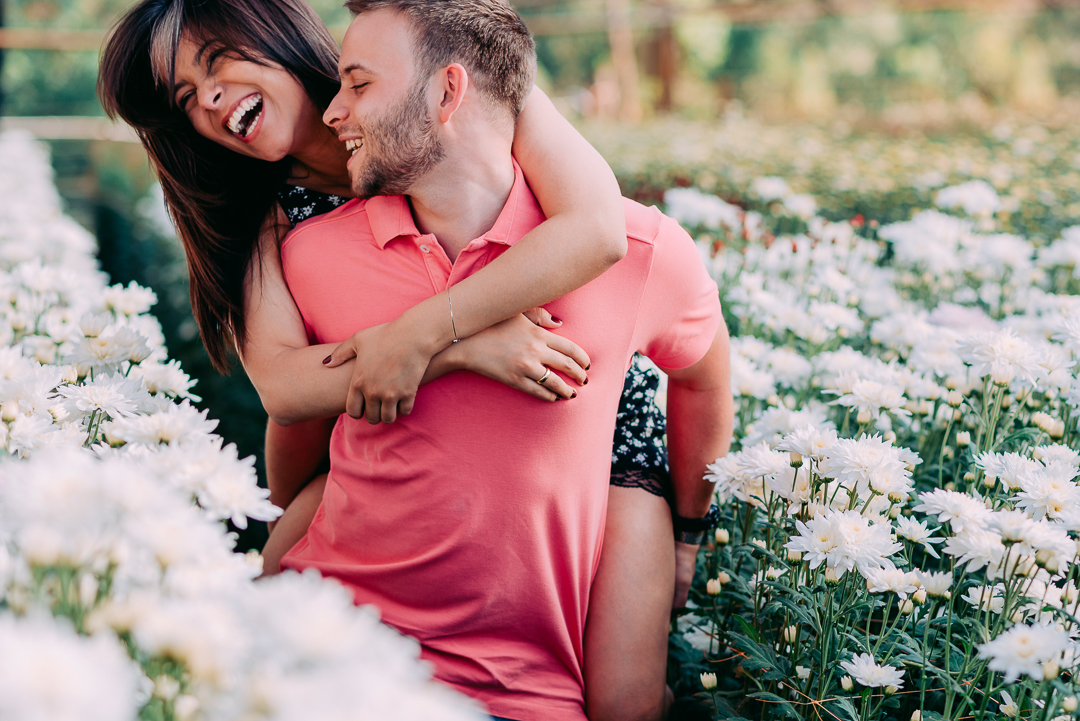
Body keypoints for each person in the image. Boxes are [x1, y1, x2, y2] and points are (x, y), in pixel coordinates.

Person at [97, 0, 731, 716]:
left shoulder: (434, 69)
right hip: (394, 419)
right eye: (185, 100)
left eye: (217, 63)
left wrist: (425, 332)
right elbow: (284, 386)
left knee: (626, 698)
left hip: (593, 405)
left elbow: (597, 229)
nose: (208, 98)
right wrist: (459, 347)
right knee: (282, 572)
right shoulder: (275, 221)